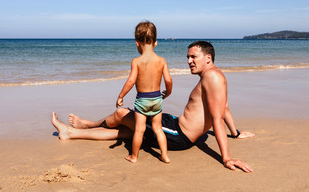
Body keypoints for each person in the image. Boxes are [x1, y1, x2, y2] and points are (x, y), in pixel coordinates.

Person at [51, 40, 255, 172]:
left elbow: (217, 116)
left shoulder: (211, 76)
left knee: (123, 113)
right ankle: (70, 133)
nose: (189, 61)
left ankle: (85, 124)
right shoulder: (217, 75)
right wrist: (235, 133)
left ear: (208, 58)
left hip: (178, 135)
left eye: (194, 57)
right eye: (188, 57)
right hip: (174, 124)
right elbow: (225, 107)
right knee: (128, 131)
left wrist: (226, 158)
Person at [116, 21, 172, 163]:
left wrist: (121, 96)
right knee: (158, 129)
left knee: (139, 130)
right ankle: (164, 155)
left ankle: (134, 156)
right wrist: (168, 92)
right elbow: (169, 81)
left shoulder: (137, 61)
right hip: (157, 99)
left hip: (142, 101)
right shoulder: (161, 60)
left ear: (137, 43)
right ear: (156, 43)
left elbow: (130, 81)